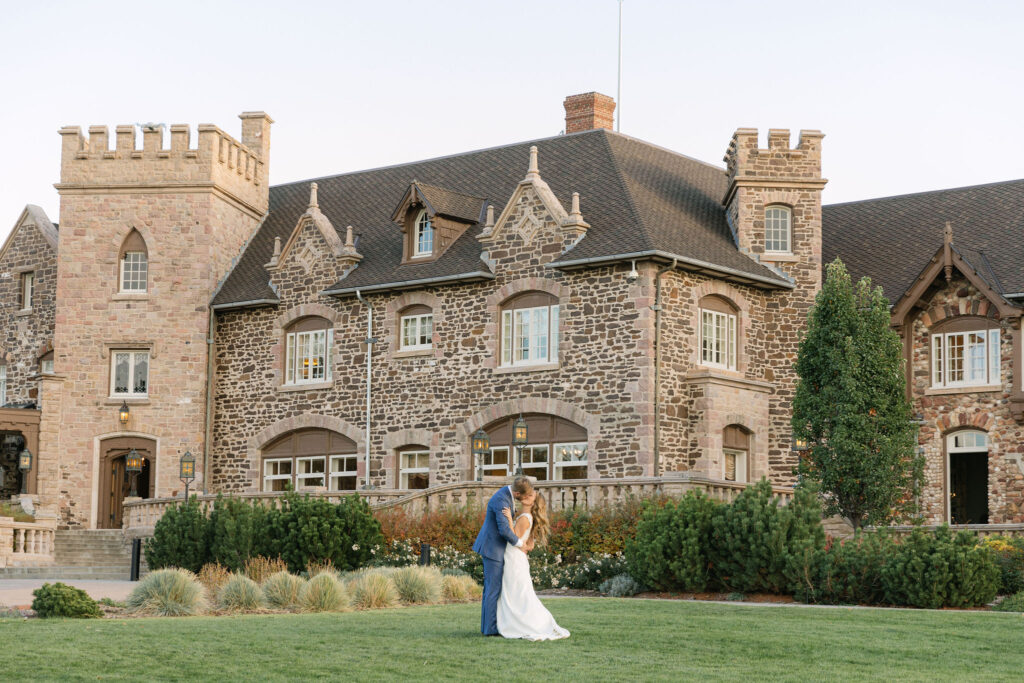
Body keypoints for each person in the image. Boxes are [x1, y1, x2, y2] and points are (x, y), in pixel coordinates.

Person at [496, 491, 569, 640]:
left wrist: (509, 518)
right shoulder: (527, 517)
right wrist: (524, 545)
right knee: (518, 592)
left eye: (530, 496)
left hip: (514, 558)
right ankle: (516, 622)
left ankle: (524, 624)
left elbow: (513, 536)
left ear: (533, 503)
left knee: (517, 592)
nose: (525, 496)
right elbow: (530, 545)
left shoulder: (524, 518)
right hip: (517, 558)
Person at [471, 475, 535, 636]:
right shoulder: (501, 500)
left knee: (491, 589)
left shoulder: (507, 496)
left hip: (496, 548)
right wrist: (522, 545)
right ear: (518, 494)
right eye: (525, 496)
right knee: (493, 589)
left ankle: (488, 627)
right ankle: (490, 630)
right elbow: (505, 530)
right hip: (492, 548)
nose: (527, 498)